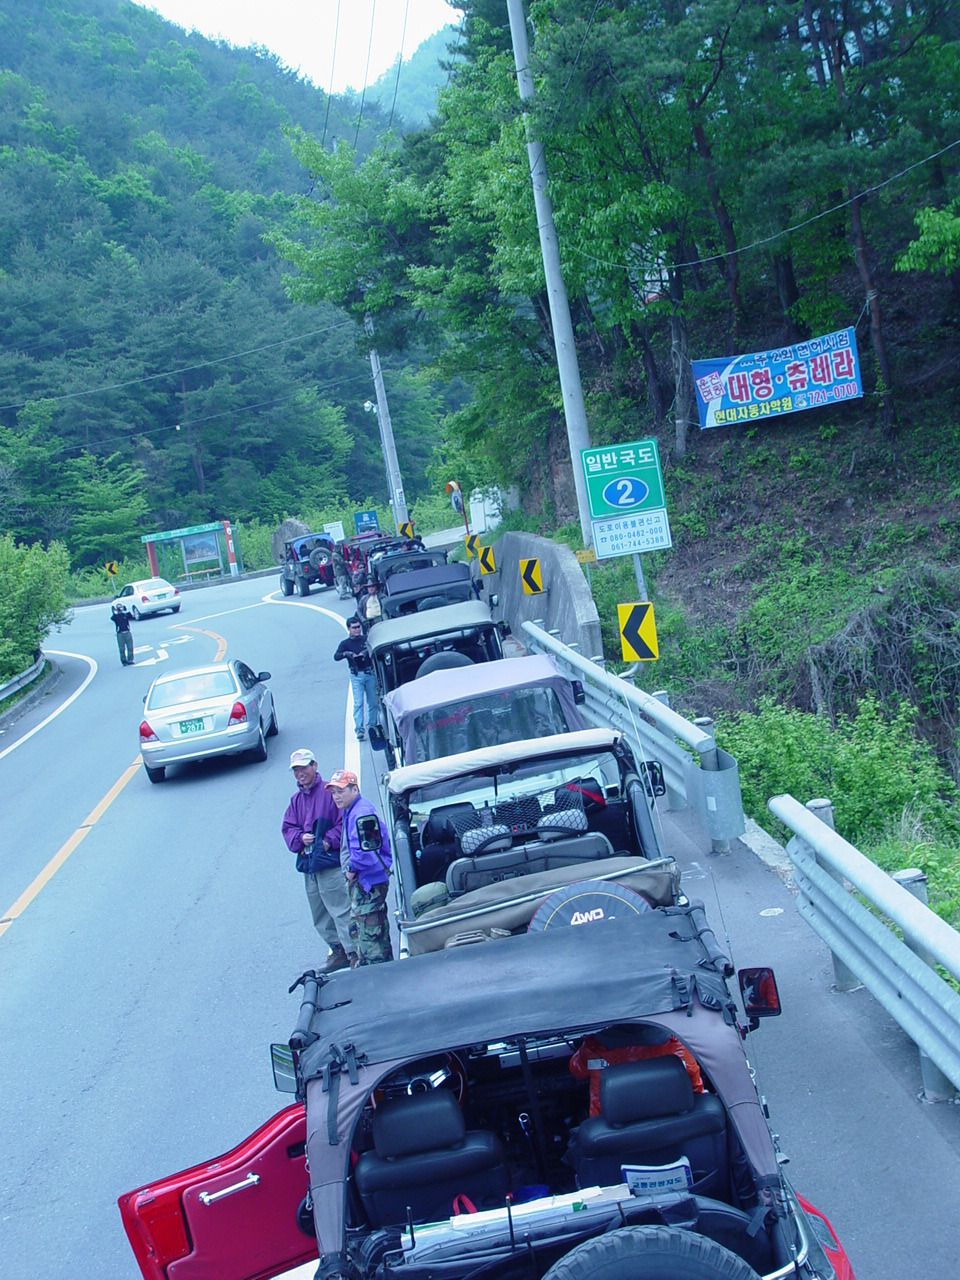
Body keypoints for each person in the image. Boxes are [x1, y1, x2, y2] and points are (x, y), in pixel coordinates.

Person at [282, 749, 356, 972]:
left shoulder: (329, 793)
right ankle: (338, 951)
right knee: (320, 913)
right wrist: (300, 838)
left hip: (330, 866)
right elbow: (287, 829)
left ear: (315, 766)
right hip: (309, 868)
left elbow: (344, 824)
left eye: (303, 767)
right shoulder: (295, 801)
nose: (300, 773)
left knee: (341, 909)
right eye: (296, 769)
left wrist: (326, 842)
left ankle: (354, 953)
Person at [326, 769, 394, 965]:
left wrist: (351, 868)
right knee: (362, 929)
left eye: (340, 791)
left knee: (371, 935)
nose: (336, 797)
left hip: (368, 883)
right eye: (333, 793)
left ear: (354, 789)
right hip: (367, 882)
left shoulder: (361, 812)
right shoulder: (351, 811)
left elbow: (365, 851)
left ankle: (381, 974)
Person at [569, 1027, 704, 1117]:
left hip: (611, 1133)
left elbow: (576, 1071)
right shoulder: (678, 1044)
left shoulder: (593, 1048)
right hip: (674, 1127)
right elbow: (696, 1089)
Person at [333, 616, 378, 741]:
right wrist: (346, 654)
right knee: (358, 703)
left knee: (373, 702)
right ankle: (359, 730)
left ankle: (372, 726)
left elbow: (375, 647)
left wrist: (365, 652)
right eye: (354, 628)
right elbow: (336, 656)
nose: (357, 630)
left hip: (369, 673)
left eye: (358, 627)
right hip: (356, 675)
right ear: (349, 629)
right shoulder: (345, 644)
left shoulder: (366, 639)